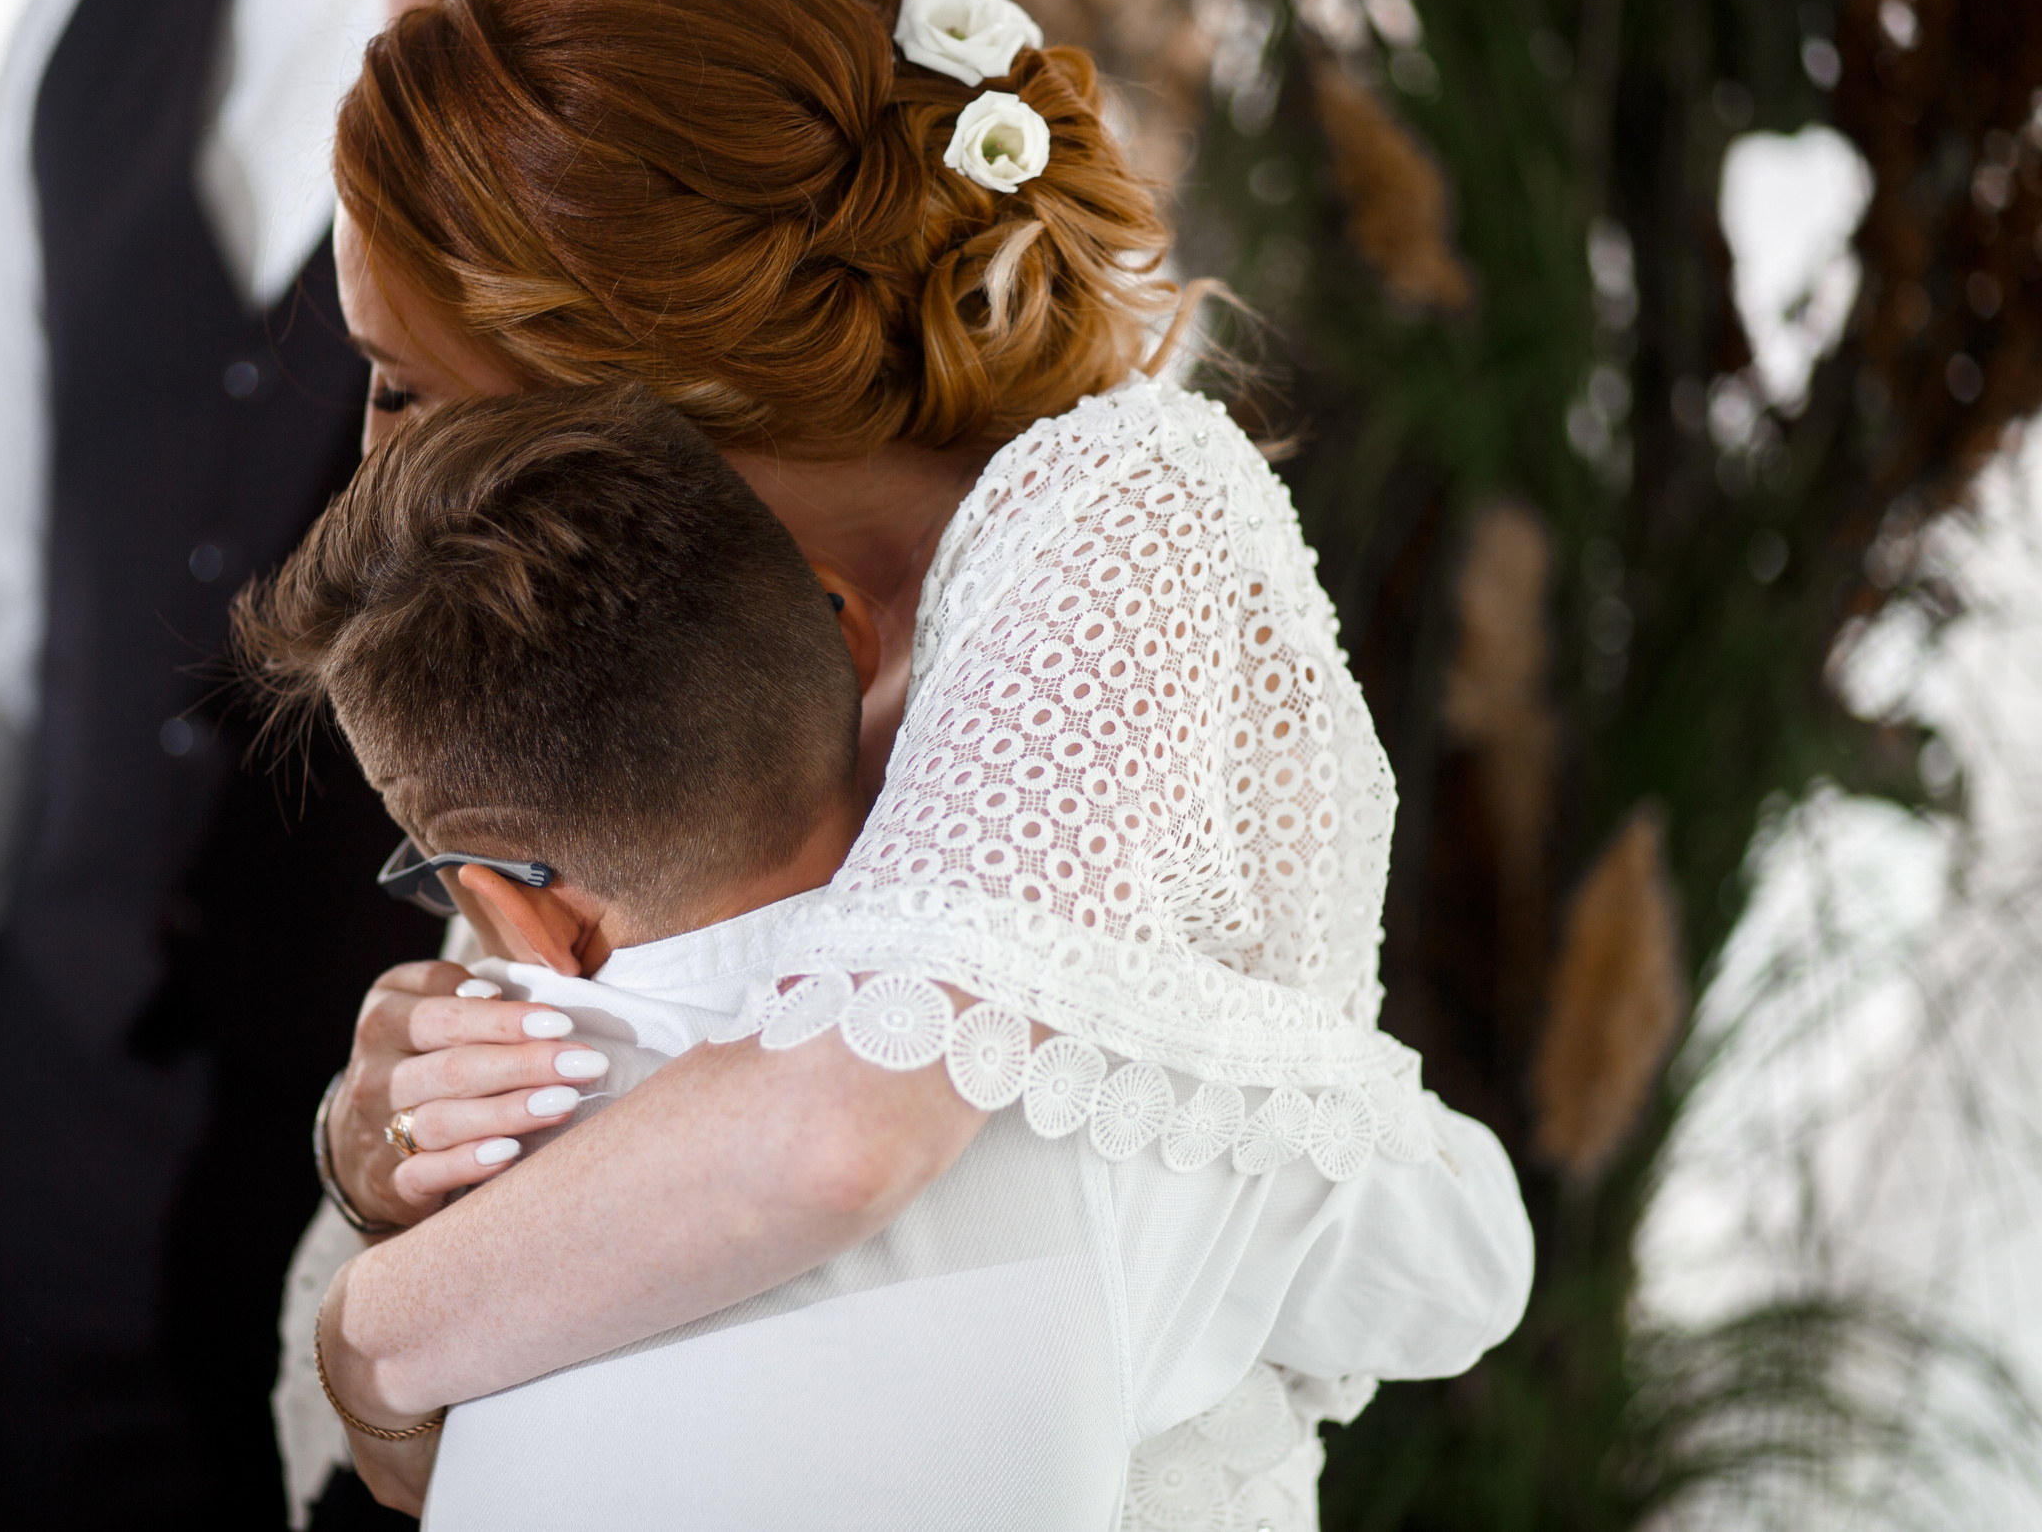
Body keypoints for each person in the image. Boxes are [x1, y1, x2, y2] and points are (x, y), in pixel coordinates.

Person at [280, 0, 1535, 1527]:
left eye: (405, 387)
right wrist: (385, 1137)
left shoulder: (1116, 506)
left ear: (628, 360)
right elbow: (561, 1146)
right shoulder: (619, 619)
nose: (369, 462)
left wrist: (369, 1347)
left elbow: (839, 1134)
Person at [0, 0, 653, 1526]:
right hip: (63, 1130)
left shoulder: (730, 0)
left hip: (485, 1164)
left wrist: (494, 47)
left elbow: (709, 595)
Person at [240, 386, 1528, 1527]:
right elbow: (1465, 1269)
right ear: (854, 637)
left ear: (514, 909)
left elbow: (402, 1466)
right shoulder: (1093, 1088)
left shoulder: (444, 1163)